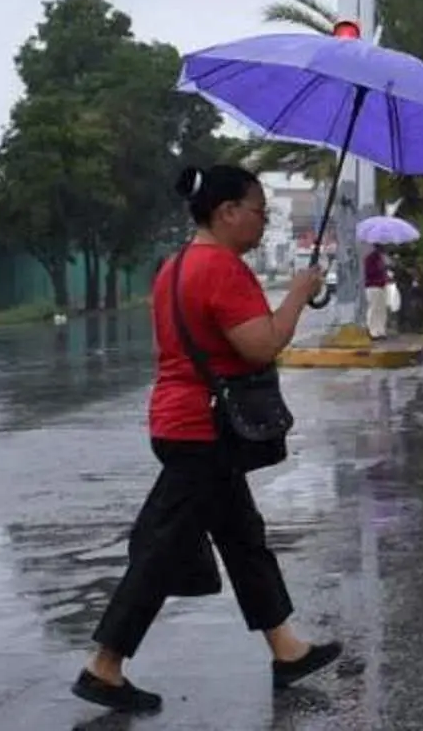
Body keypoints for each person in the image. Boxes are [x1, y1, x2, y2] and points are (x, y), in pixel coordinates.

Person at [71, 164, 341, 714]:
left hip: (181, 421)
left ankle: (286, 649)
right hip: (203, 431)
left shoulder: (174, 267)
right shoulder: (220, 269)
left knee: (243, 536)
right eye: (259, 211)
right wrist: (297, 294)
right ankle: (104, 665)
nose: (263, 223)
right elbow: (260, 346)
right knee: (161, 552)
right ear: (227, 213)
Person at [363, 243, 389, 339]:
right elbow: (367, 272)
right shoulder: (371, 258)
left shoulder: (381, 258)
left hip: (381, 285)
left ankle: (380, 330)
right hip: (372, 285)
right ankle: (371, 330)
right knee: (373, 308)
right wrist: (380, 269)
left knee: (381, 309)